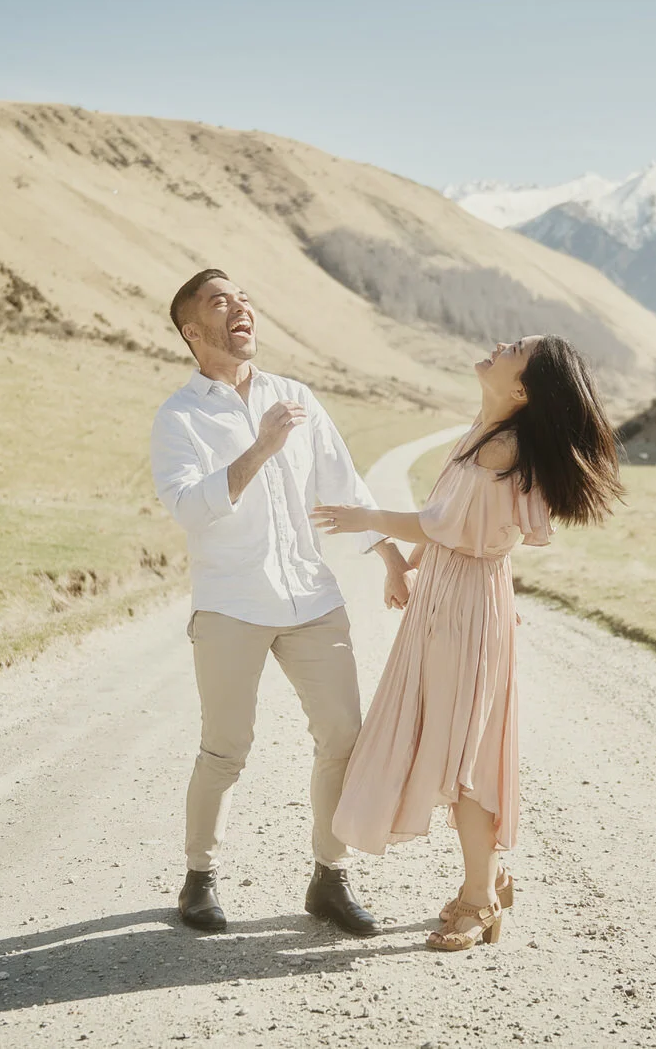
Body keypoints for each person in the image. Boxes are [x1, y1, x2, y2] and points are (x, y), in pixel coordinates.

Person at [315, 334, 623, 951]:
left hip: (463, 606)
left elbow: (443, 523)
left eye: (518, 350)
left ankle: (480, 900)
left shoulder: (503, 447)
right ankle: (490, 877)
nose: (501, 344)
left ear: (522, 389)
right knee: (457, 744)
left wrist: (368, 519)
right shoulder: (484, 434)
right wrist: (410, 562)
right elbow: (446, 514)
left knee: (464, 754)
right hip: (453, 597)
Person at [150, 268, 414, 936]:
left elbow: (340, 481)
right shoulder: (179, 417)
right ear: (192, 331)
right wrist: (262, 447)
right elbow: (188, 507)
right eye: (220, 302)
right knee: (226, 747)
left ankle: (330, 877)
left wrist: (386, 553)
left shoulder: (295, 396)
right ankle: (199, 879)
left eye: (244, 297)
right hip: (230, 604)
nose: (241, 307)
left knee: (344, 737)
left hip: (310, 599)